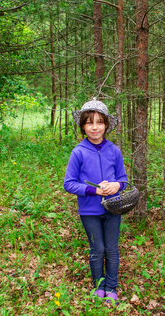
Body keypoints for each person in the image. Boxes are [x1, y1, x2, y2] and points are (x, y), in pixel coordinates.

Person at [63, 98, 127, 306]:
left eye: (99, 122)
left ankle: (111, 286)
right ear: (83, 126)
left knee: (111, 249)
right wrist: (94, 190)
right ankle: (99, 286)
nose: (95, 127)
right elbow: (69, 184)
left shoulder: (114, 151)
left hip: (113, 208)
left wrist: (117, 186)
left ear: (106, 125)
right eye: (89, 122)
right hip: (89, 211)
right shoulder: (78, 152)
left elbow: (123, 180)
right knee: (97, 249)